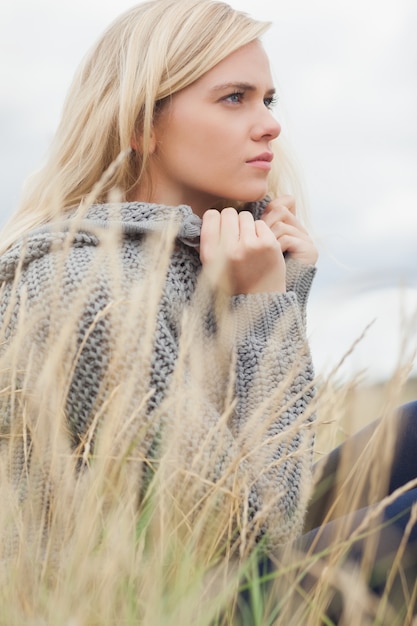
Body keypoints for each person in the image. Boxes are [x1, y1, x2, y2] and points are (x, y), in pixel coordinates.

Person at [0, 0, 416, 621]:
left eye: (268, 100)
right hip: (165, 604)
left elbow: (275, 485)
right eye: (234, 98)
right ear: (141, 124)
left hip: (232, 566)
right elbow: (248, 534)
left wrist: (275, 295)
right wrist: (266, 308)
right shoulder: (89, 287)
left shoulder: (199, 262)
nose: (270, 124)